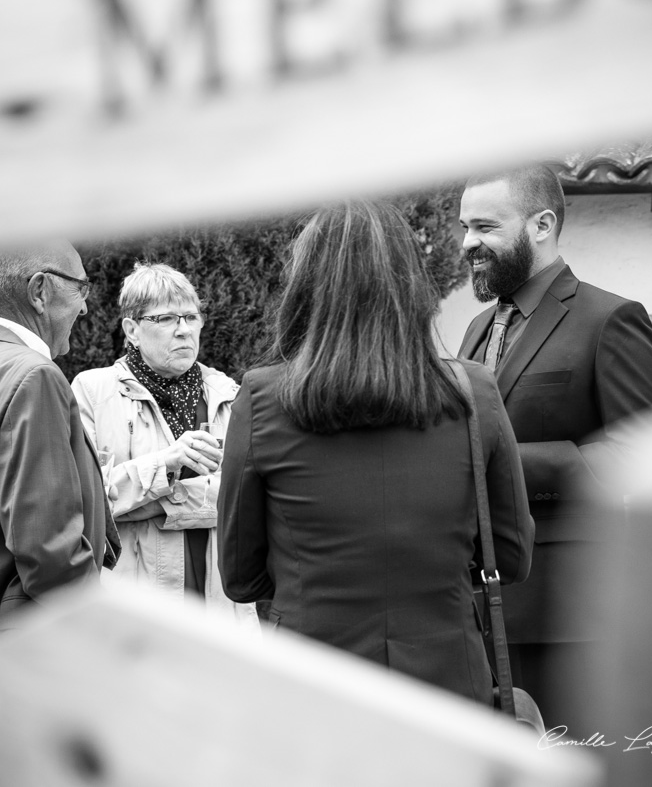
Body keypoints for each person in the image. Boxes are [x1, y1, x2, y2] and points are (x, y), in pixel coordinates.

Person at [217, 200, 534, 703]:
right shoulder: (474, 391)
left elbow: (240, 576)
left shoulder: (261, 398)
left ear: (306, 289)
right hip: (449, 684)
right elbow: (511, 557)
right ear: (411, 286)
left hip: (310, 683)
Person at [458, 164, 652, 733]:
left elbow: (640, 458)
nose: (467, 243)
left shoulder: (611, 319)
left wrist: (495, 468)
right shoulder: (476, 328)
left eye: (484, 227)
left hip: (569, 610)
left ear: (542, 224)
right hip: (476, 609)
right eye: (464, 228)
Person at [71, 262, 256, 627]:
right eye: (167, 319)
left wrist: (152, 501)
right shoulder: (91, 392)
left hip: (220, 606)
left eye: (191, 316)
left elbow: (246, 496)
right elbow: (84, 500)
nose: (184, 330)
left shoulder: (230, 395)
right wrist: (167, 464)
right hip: (132, 608)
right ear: (132, 330)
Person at [0, 242, 120, 631]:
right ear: (39, 292)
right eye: (80, 288)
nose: (85, 306)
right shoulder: (35, 375)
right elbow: (49, 552)